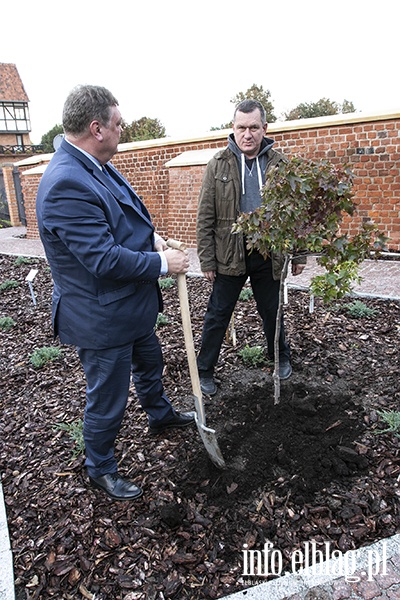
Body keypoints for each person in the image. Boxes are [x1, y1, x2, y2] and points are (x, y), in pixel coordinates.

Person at [36, 85, 195, 501]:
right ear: (97, 128)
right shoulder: (65, 184)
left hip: (129, 307)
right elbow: (103, 260)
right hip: (101, 316)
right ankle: (100, 466)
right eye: (118, 123)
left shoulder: (95, 163)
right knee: (107, 398)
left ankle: (160, 415)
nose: (123, 129)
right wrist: (163, 264)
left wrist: (154, 240)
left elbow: (124, 222)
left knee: (151, 362)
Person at [196, 99, 306, 396]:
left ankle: (279, 357)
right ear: (233, 129)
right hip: (228, 253)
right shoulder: (217, 165)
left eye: (253, 127)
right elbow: (205, 215)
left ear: (264, 129)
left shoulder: (281, 165)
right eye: (241, 128)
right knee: (218, 314)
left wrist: (299, 252)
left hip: (268, 253)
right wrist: (207, 259)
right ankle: (204, 370)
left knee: (272, 310)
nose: (247, 134)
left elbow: (296, 212)